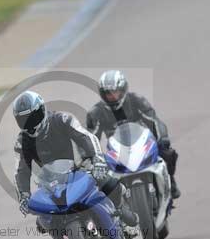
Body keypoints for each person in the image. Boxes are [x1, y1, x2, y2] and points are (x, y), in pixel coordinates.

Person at [12, 90, 138, 230]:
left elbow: (86, 137)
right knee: (42, 221)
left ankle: (121, 211)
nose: (30, 124)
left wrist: (97, 158)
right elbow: (20, 170)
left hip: (80, 167)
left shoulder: (62, 119)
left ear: (42, 110)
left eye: (33, 117)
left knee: (106, 180)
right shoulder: (22, 141)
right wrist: (24, 195)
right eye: (24, 120)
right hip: (51, 181)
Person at [86, 70, 181, 199]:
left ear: (123, 89)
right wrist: (91, 157)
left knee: (167, 152)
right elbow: (91, 138)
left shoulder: (137, 100)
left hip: (142, 143)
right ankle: (115, 205)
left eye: (116, 92)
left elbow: (155, 121)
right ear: (103, 94)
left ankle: (171, 182)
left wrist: (162, 138)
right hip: (117, 151)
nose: (113, 96)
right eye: (109, 93)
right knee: (98, 175)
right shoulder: (96, 112)